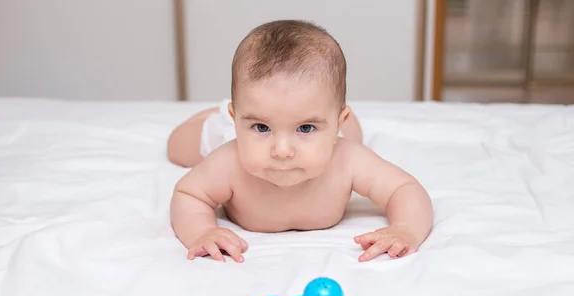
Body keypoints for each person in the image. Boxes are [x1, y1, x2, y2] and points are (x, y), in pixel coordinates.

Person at [168, 20, 433, 263]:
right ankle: (218, 113)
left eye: (305, 128)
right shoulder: (228, 161)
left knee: (355, 136)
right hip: (228, 130)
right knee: (178, 149)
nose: (282, 151)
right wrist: (202, 231)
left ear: (337, 123)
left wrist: (405, 228)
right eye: (261, 127)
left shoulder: (348, 159)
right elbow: (188, 194)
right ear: (237, 119)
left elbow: (405, 189)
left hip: (334, 132)